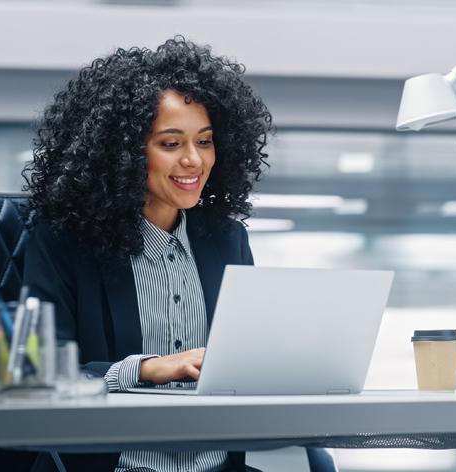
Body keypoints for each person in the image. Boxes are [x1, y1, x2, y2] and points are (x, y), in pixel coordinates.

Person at [20, 36, 273, 472]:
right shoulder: (65, 241)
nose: (194, 160)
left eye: (206, 141)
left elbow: (243, 361)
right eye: (171, 144)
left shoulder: (227, 240)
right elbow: (36, 378)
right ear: (120, 153)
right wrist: (143, 369)